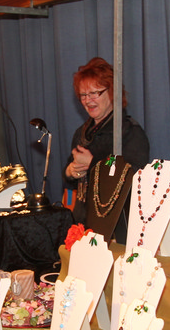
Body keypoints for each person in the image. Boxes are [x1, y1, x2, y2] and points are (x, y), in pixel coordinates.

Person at [64, 57, 150, 240]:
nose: (88, 100)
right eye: (83, 95)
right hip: (83, 224)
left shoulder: (129, 132)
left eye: (94, 93)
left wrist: (93, 163)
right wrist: (70, 172)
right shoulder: (82, 133)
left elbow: (134, 178)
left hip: (116, 229)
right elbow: (69, 182)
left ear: (112, 92)